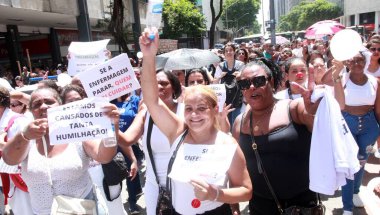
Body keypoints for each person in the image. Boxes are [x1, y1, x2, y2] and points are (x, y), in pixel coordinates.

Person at [139, 28, 252, 214]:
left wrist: (214, 193)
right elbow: (151, 100)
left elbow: (246, 191)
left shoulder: (227, 143)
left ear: (215, 110)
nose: (194, 115)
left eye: (201, 109)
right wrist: (149, 56)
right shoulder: (177, 132)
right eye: (189, 109)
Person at [2, 87, 119, 214]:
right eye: (37, 104)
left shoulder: (76, 131)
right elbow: (9, 160)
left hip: (82, 210)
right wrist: (24, 136)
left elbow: (104, 156)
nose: (43, 106)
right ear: (31, 111)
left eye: (49, 102)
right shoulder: (27, 137)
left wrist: (111, 127)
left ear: (60, 105)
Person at [232, 59, 321, 215]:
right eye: (245, 84)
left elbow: (318, 128)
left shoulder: (294, 108)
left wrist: (314, 111)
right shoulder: (239, 123)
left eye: (258, 80)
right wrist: (234, 207)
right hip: (260, 206)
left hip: (302, 205)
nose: (252, 87)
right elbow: (235, 168)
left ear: (271, 81)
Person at [117, 69, 183, 215]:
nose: (158, 87)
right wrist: (112, 123)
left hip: (183, 183)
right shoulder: (145, 113)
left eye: (164, 83)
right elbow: (126, 139)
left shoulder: (185, 111)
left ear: (174, 87)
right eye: (154, 84)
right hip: (155, 185)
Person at [339, 53, 380, 215]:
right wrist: (337, 67)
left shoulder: (375, 82)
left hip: (369, 126)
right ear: (348, 62)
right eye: (353, 60)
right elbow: (324, 80)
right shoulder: (342, 79)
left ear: (366, 61)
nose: (357, 63)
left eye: (361, 60)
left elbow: (378, 109)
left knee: (362, 160)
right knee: (349, 165)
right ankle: (347, 206)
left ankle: (356, 192)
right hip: (347, 124)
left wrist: (379, 134)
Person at [215, 43, 245, 127]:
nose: (229, 52)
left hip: (237, 97)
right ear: (224, 53)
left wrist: (240, 76)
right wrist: (220, 76)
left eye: (231, 50)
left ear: (234, 52)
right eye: (226, 51)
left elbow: (245, 79)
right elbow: (214, 82)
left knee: (236, 122)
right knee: (225, 123)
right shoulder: (220, 66)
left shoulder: (241, 65)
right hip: (224, 99)